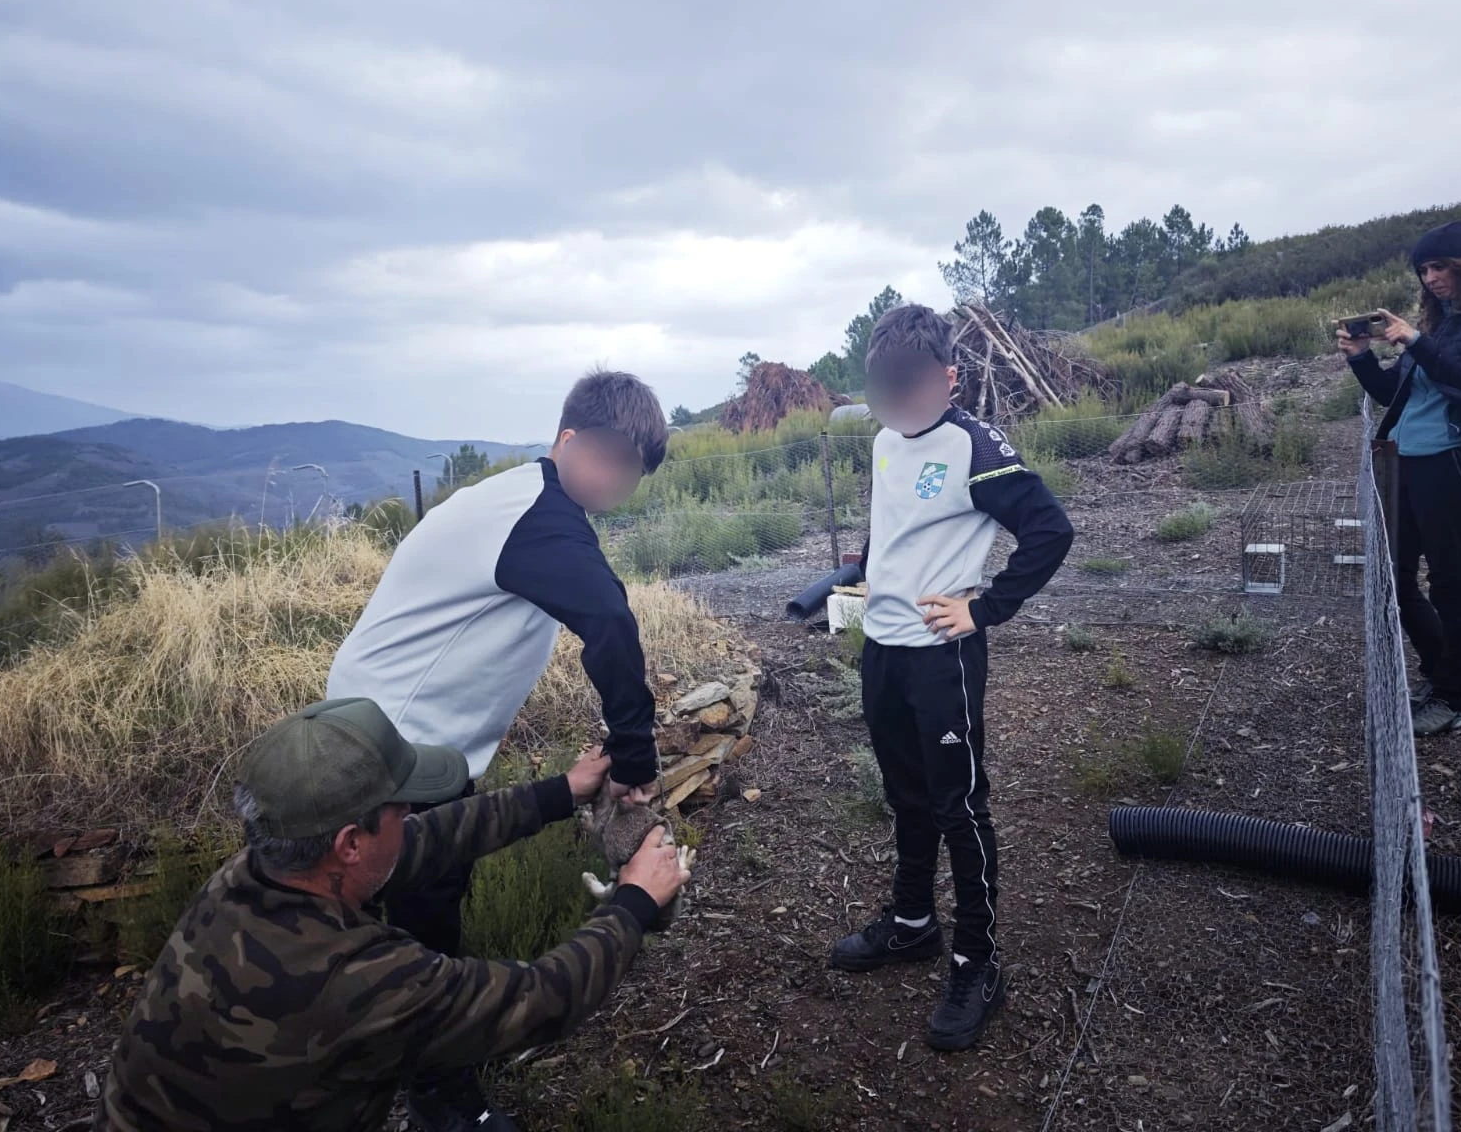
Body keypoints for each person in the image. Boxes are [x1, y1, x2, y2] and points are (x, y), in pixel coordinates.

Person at [325, 369, 669, 1128]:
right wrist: (635, 762)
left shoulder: (532, 502)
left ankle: (370, 1059)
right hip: (397, 741)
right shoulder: (537, 516)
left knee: (387, 911)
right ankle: (442, 1099)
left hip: (393, 728)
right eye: (610, 459)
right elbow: (611, 624)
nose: (619, 480)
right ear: (568, 439)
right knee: (425, 925)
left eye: (634, 469)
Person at [98, 697, 690, 1132]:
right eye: (399, 803)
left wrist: (561, 792)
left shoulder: (247, 877)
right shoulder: (358, 979)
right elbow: (539, 1000)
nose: (412, 810)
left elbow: (423, 840)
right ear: (350, 843)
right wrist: (635, 901)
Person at [828, 304, 1074, 1051]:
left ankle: (978, 961)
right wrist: (864, 570)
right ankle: (911, 925)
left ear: (948, 378)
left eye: (910, 389)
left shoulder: (975, 446)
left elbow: (1050, 530)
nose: (897, 404)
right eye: (885, 390)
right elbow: (893, 521)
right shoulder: (882, 440)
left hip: (943, 658)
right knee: (905, 796)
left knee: (958, 806)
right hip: (884, 649)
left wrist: (987, 606)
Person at [1339, 221, 1461, 736]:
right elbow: (1391, 391)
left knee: (1451, 583)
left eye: (1440, 266)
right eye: (1423, 270)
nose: (1431, 278)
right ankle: (1440, 673)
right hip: (1409, 463)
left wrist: (1416, 340)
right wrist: (1362, 357)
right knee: (1394, 577)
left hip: (1455, 465)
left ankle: (1453, 697)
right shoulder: (1441, 325)